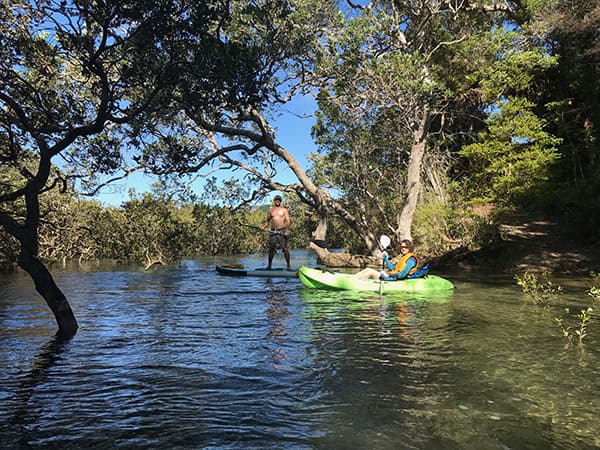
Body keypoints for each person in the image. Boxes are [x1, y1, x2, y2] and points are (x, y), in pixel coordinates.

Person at [354, 239, 418, 280]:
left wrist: (387, 275)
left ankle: (353, 281)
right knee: (368, 269)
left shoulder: (411, 260)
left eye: (405, 247)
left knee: (370, 272)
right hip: (392, 277)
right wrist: (386, 259)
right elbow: (393, 269)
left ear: (409, 248)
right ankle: (352, 278)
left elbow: (402, 275)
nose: (403, 249)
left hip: (396, 279)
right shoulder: (403, 257)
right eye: (401, 247)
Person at [262, 194, 291, 270]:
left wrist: (287, 230)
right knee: (271, 249)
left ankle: (288, 266)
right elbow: (267, 221)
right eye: (276, 200)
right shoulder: (271, 210)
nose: (277, 201)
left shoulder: (284, 210)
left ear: (280, 201)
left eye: (279, 200)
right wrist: (263, 226)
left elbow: (288, 221)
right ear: (274, 201)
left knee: (285, 249)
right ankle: (269, 266)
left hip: (281, 231)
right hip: (273, 231)